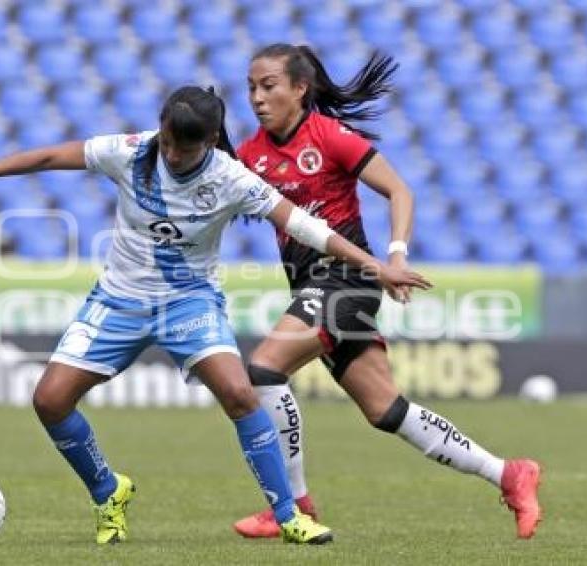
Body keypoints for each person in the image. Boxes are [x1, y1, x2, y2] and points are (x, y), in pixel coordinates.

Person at [0, 86, 430, 545]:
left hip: (189, 304)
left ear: (212, 142)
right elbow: (50, 156)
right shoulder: (129, 151)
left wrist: (377, 266)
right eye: (170, 144)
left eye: (186, 150)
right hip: (118, 302)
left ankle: (288, 516)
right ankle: (108, 491)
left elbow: (304, 226)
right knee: (49, 401)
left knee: (240, 394)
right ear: (161, 127)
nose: (174, 156)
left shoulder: (230, 177)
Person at [232, 44, 542, 540]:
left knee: (265, 368)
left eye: (268, 85)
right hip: (311, 284)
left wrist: (395, 256)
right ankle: (508, 473)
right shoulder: (251, 155)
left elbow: (400, 190)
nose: (257, 97)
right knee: (386, 410)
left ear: (299, 89)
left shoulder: (330, 136)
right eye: (251, 87)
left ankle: (292, 506)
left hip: (347, 280)